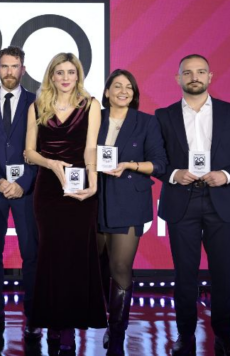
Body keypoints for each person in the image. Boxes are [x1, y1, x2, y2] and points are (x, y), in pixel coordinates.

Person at [24, 52, 106, 354]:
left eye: (71, 72)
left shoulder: (91, 105)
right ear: (51, 76)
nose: (65, 77)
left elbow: (90, 149)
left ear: (78, 75)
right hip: (48, 189)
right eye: (59, 72)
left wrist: (93, 183)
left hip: (79, 187)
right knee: (51, 255)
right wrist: (51, 163)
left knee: (75, 257)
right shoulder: (37, 106)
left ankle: (68, 328)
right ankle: (53, 323)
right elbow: (29, 153)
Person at [155, 54, 230, 356]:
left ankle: (224, 334)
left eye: (200, 72)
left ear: (210, 76)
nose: (194, 77)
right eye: (187, 72)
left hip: (221, 200)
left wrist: (226, 175)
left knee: (224, 274)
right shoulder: (163, 116)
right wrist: (174, 174)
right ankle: (185, 334)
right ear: (178, 79)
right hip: (181, 201)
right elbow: (156, 159)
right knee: (184, 275)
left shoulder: (228, 112)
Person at [96, 69, 167, 355]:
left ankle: (117, 331)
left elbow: (159, 164)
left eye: (129, 87)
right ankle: (106, 315)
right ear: (107, 92)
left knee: (120, 267)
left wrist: (129, 165)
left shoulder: (146, 122)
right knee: (100, 266)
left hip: (129, 200)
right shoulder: (94, 117)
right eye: (117, 86)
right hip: (95, 199)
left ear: (134, 94)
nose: (123, 91)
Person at [0, 46, 40, 341]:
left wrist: (24, 182)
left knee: (31, 253)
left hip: (26, 192)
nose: (9, 72)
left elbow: (42, 148)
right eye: (4, 66)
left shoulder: (37, 103)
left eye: (14, 66)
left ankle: (33, 314)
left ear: (23, 69)